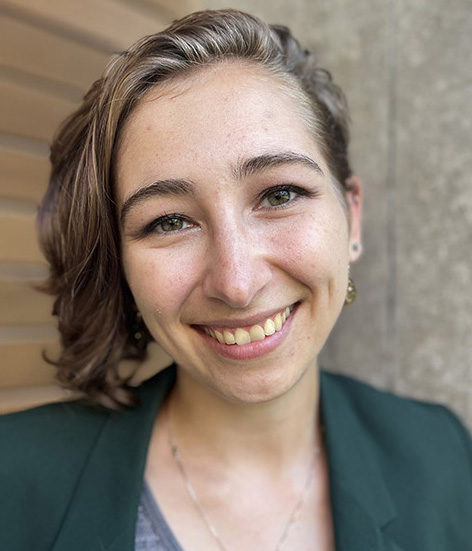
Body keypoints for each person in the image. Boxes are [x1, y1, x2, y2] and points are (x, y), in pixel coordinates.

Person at [1, 9, 471, 551]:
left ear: (352, 219)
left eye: (279, 195)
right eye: (169, 221)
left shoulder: (444, 456)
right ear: (121, 265)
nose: (237, 282)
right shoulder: (11, 481)